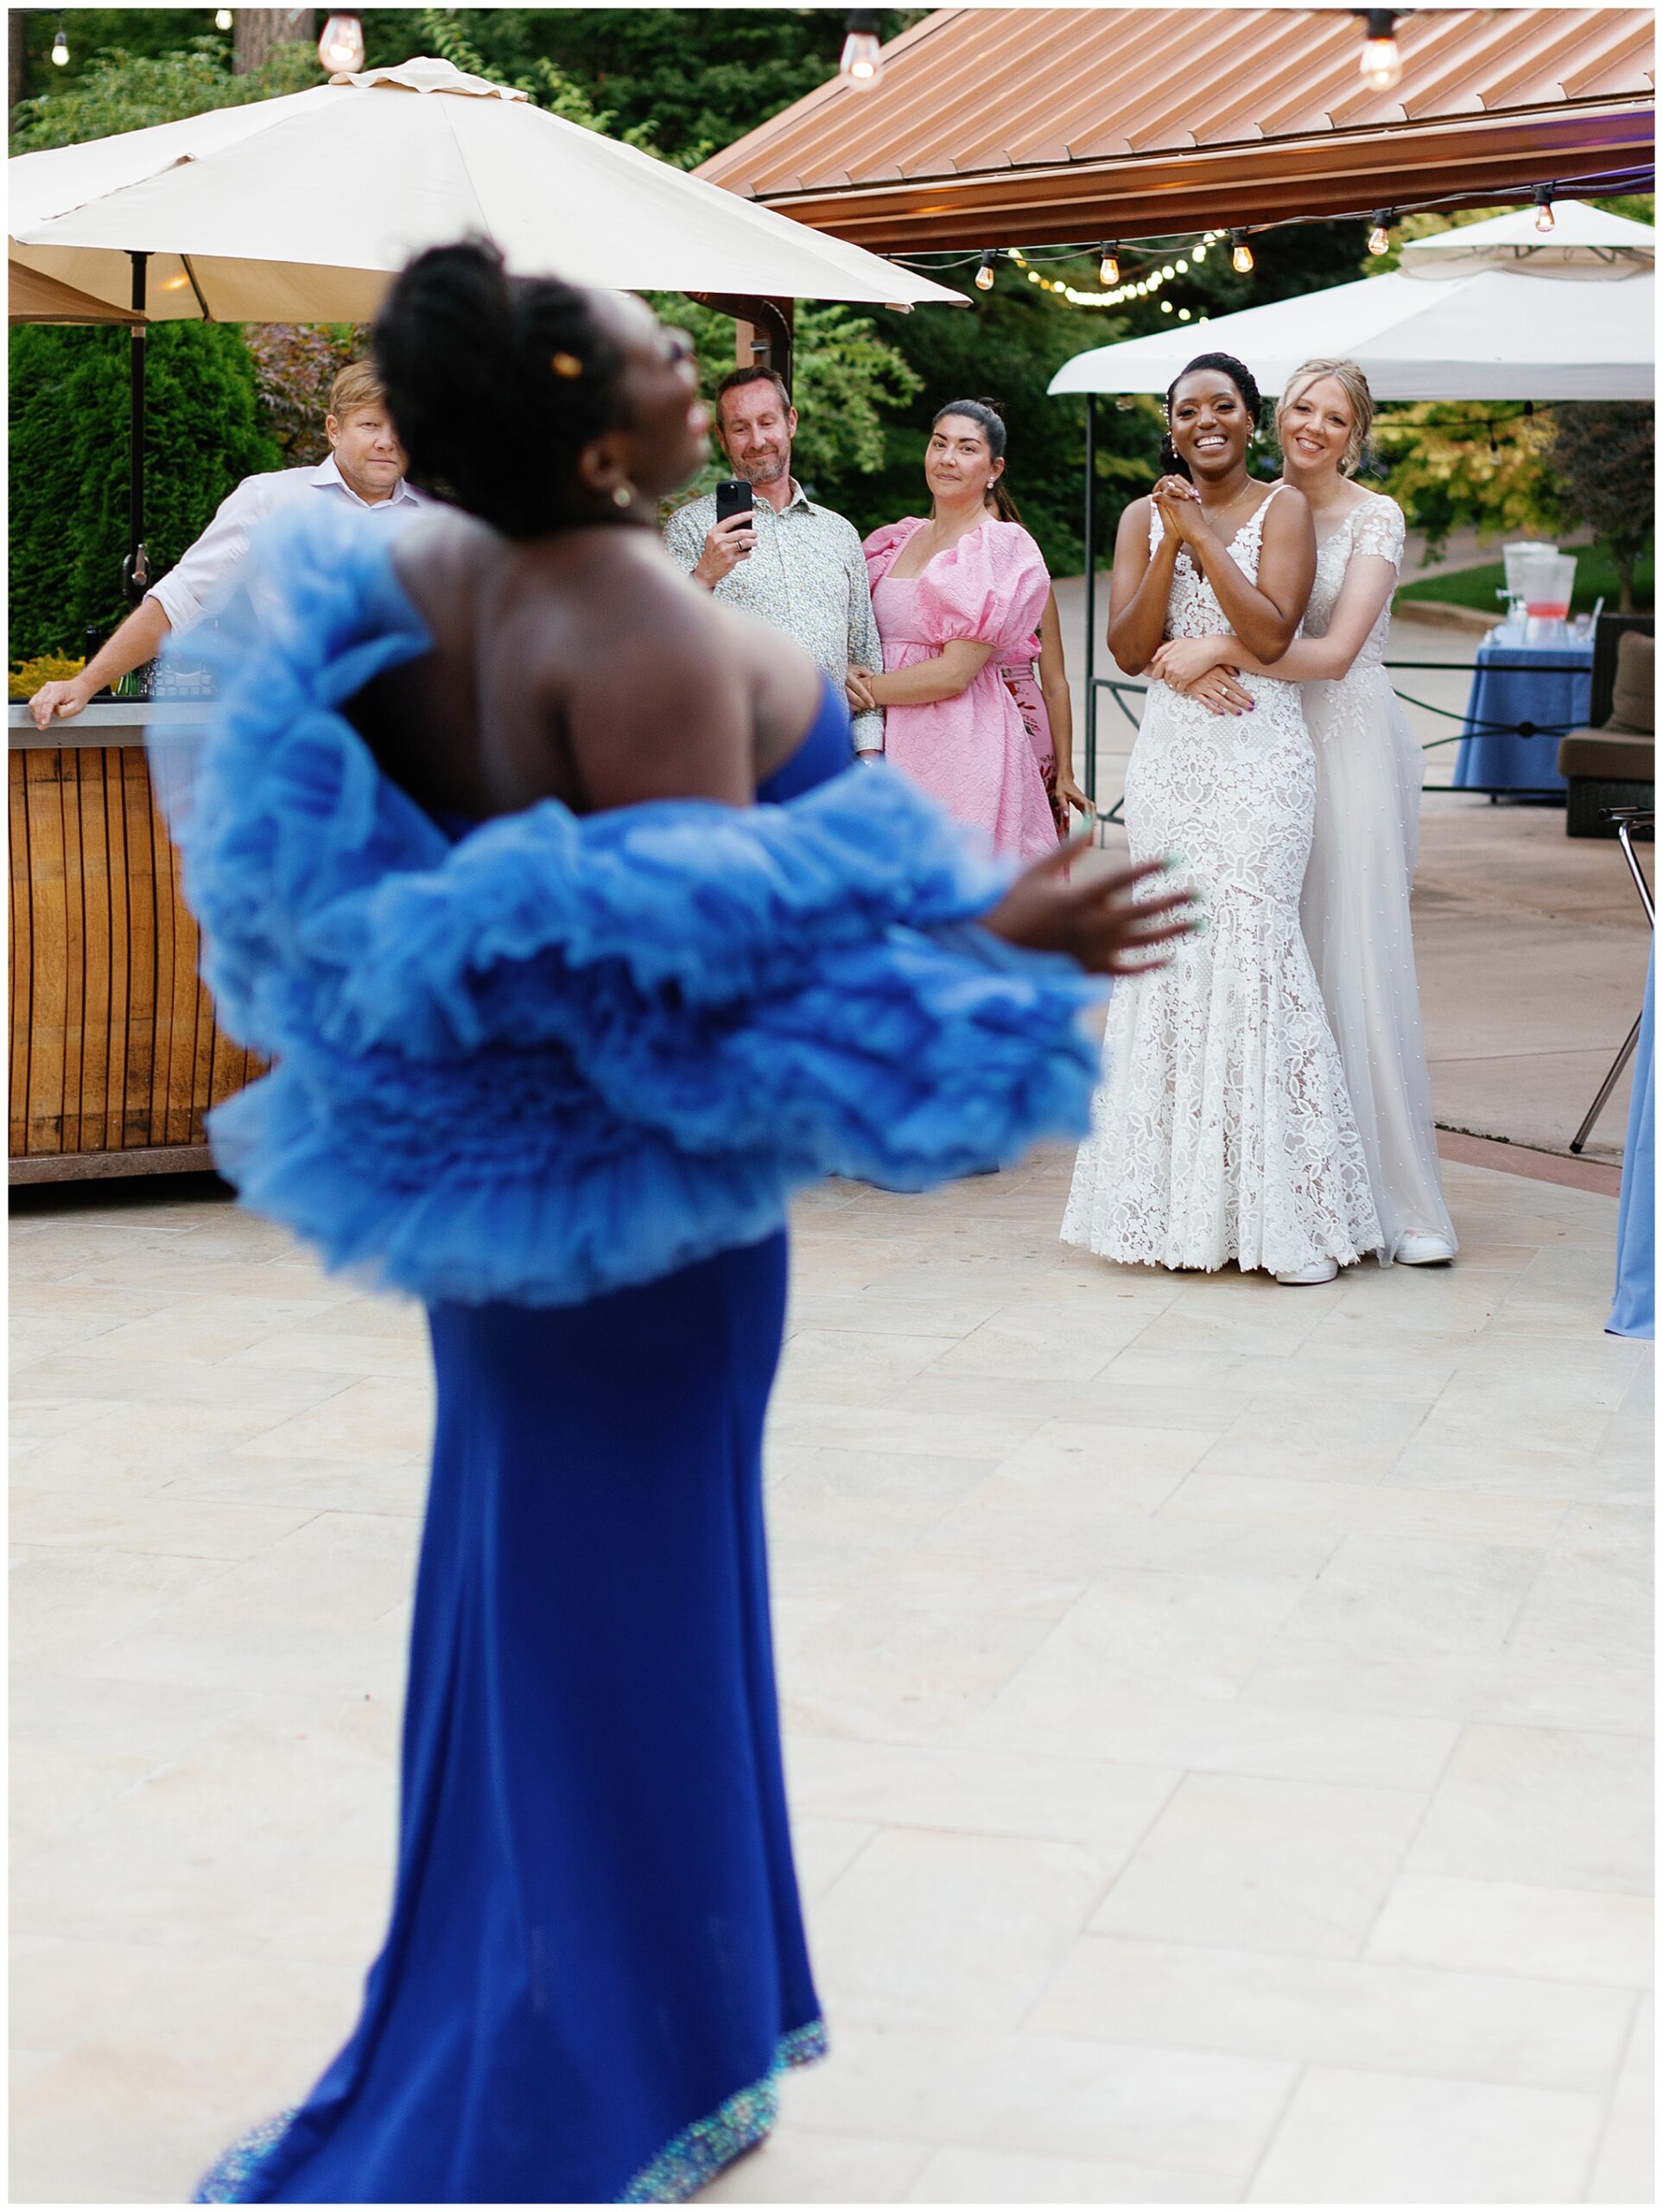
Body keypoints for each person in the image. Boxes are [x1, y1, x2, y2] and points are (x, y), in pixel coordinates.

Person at [171, 242, 1196, 2206]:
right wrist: (1001, 921)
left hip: (511, 1228)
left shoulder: (419, 594)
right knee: (618, 1614)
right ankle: (593, 2076)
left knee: (538, 1601)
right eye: (659, 348)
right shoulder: (635, 623)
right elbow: (696, 991)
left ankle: (642, 2024)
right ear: (589, 408)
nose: (693, 367)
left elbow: (440, 918)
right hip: (646, 1244)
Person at [1061, 351, 1381, 1284]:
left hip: (1257, 759)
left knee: (1251, 945)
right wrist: (1166, 541)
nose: (1205, 421)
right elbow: (1127, 646)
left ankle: (1281, 1218)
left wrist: (1201, 538)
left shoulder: (1283, 508)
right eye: (1186, 409)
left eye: (1223, 406)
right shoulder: (1137, 516)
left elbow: (1274, 631)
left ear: (1249, 421)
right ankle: (1172, 1213)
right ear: (1170, 427)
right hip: (1169, 762)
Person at [1147, 358, 1457, 1266]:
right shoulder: (1250, 508)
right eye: (1299, 409)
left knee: (1354, 955)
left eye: (1330, 416)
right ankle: (1286, 1187)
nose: (1310, 427)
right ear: (1274, 418)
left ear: (1353, 433)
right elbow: (1178, 609)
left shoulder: (1371, 516)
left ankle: (1397, 1198)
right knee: (1278, 965)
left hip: (1347, 743)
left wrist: (1213, 651)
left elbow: (1326, 654)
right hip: (1255, 750)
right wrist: (1196, 652)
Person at [27, 360, 428, 729]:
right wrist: (85, 682)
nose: (387, 442)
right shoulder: (268, 499)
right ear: (333, 429)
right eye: (371, 425)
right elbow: (182, 598)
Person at [855, 399, 1059, 860]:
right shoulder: (900, 538)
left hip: (956, 741)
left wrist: (860, 691)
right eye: (939, 443)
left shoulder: (996, 545)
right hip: (884, 733)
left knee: (950, 887)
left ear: (994, 468)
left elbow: (954, 674)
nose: (947, 458)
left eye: (967, 448)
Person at [662, 365, 885, 756]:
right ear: (721, 437)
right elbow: (660, 649)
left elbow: (864, 659)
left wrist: (868, 759)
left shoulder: (839, 533)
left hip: (827, 760)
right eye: (740, 427)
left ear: (791, 421)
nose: (757, 439)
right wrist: (703, 576)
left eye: (767, 422)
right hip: (733, 757)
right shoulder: (690, 528)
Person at [1000, 588, 1090, 837]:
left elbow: (1055, 684)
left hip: (1028, 725)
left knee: (1035, 838)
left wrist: (1066, 773)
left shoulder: (1033, 579)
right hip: (960, 719)